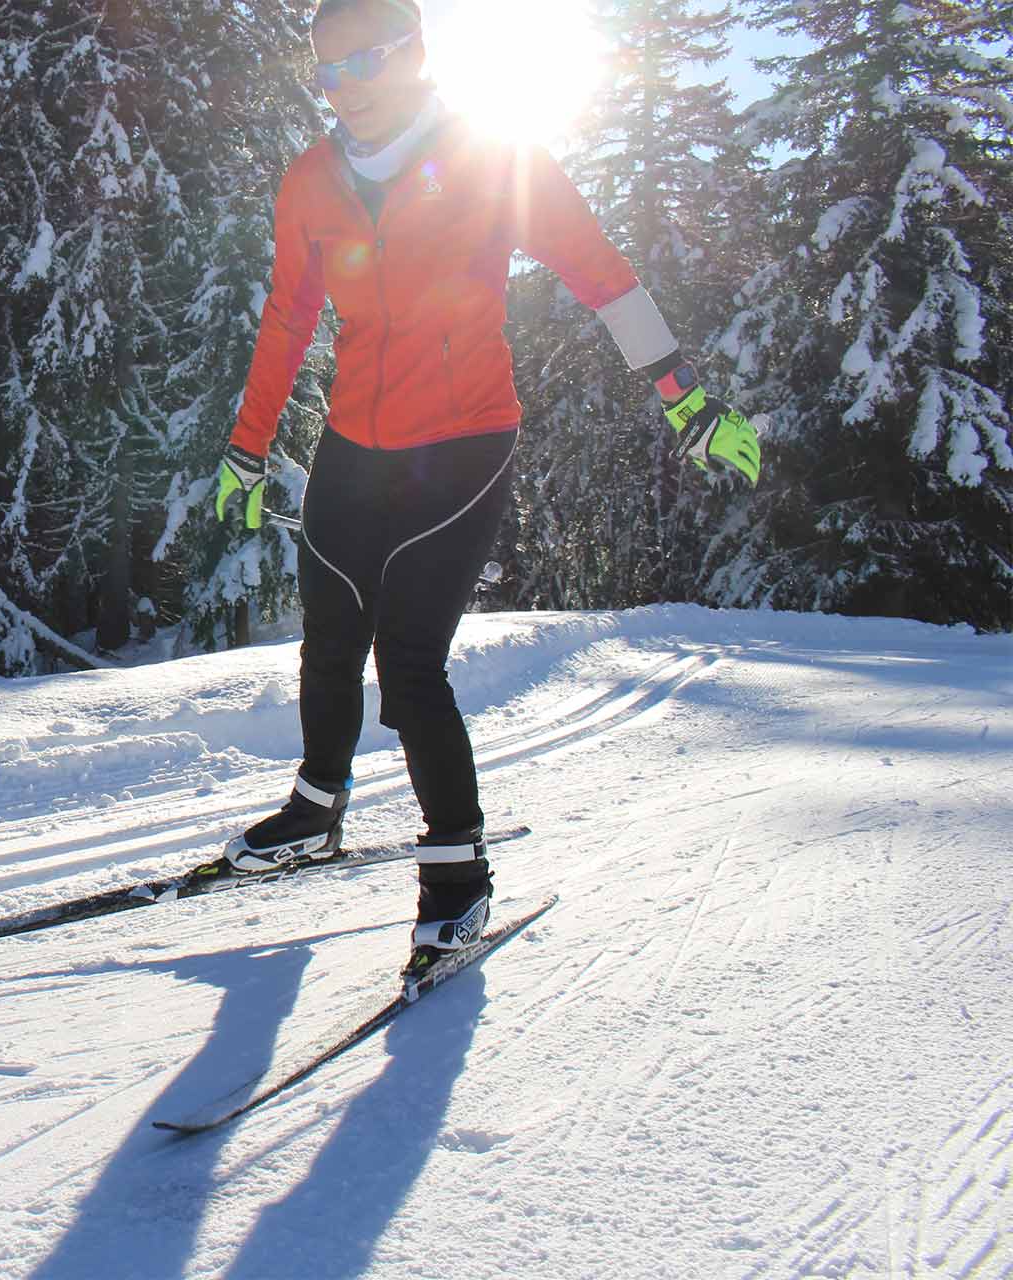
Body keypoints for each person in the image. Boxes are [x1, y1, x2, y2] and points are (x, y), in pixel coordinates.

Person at [211, 0, 761, 978]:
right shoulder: (311, 181)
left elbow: (599, 272)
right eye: (327, 73)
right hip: (353, 442)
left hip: (464, 442)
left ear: (415, 55)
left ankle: (459, 875)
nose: (348, 89)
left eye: (365, 62)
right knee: (329, 631)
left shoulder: (493, 158)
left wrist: (683, 394)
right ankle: (317, 805)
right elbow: (287, 317)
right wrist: (247, 447)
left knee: (408, 657)